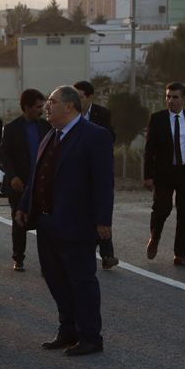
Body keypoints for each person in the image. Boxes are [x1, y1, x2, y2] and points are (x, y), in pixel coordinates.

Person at [15, 85, 114, 356]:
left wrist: (103, 220)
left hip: (77, 224)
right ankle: (67, 329)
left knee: (82, 281)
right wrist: (25, 205)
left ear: (69, 106)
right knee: (56, 279)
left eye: (52, 101)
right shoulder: (51, 135)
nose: (47, 106)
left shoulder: (94, 136)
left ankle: (91, 337)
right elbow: (38, 175)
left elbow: (104, 182)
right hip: (47, 222)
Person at [143, 82, 185, 268]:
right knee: (162, 209)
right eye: (168, 97)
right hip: (164, 172)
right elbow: (149, 150)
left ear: (184, 99)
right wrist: (147, 176)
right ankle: (155, 237)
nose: (170, 101)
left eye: (175, 97)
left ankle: (181, 255)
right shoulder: (157, 119)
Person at [0, 89, 50, 272]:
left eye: (42, 106)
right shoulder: (12, 128)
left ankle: (47, 263)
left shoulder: (46, 127)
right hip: (19, 185)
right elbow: (5, 155)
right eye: (38, 107)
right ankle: (18, 258)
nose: (42, 110)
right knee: (19, 221)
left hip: (41, 184)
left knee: (44, 224)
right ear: (26, 107)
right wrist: (12, 176)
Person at [74, 80, 119, 270]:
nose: (76, 100)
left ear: (90, 98)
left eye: (80, 97)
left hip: (97, 170)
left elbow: (110, 137)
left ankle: (107, 254)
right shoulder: (71, 113)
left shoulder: (102, 114)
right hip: (77, 171)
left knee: (101, 211)